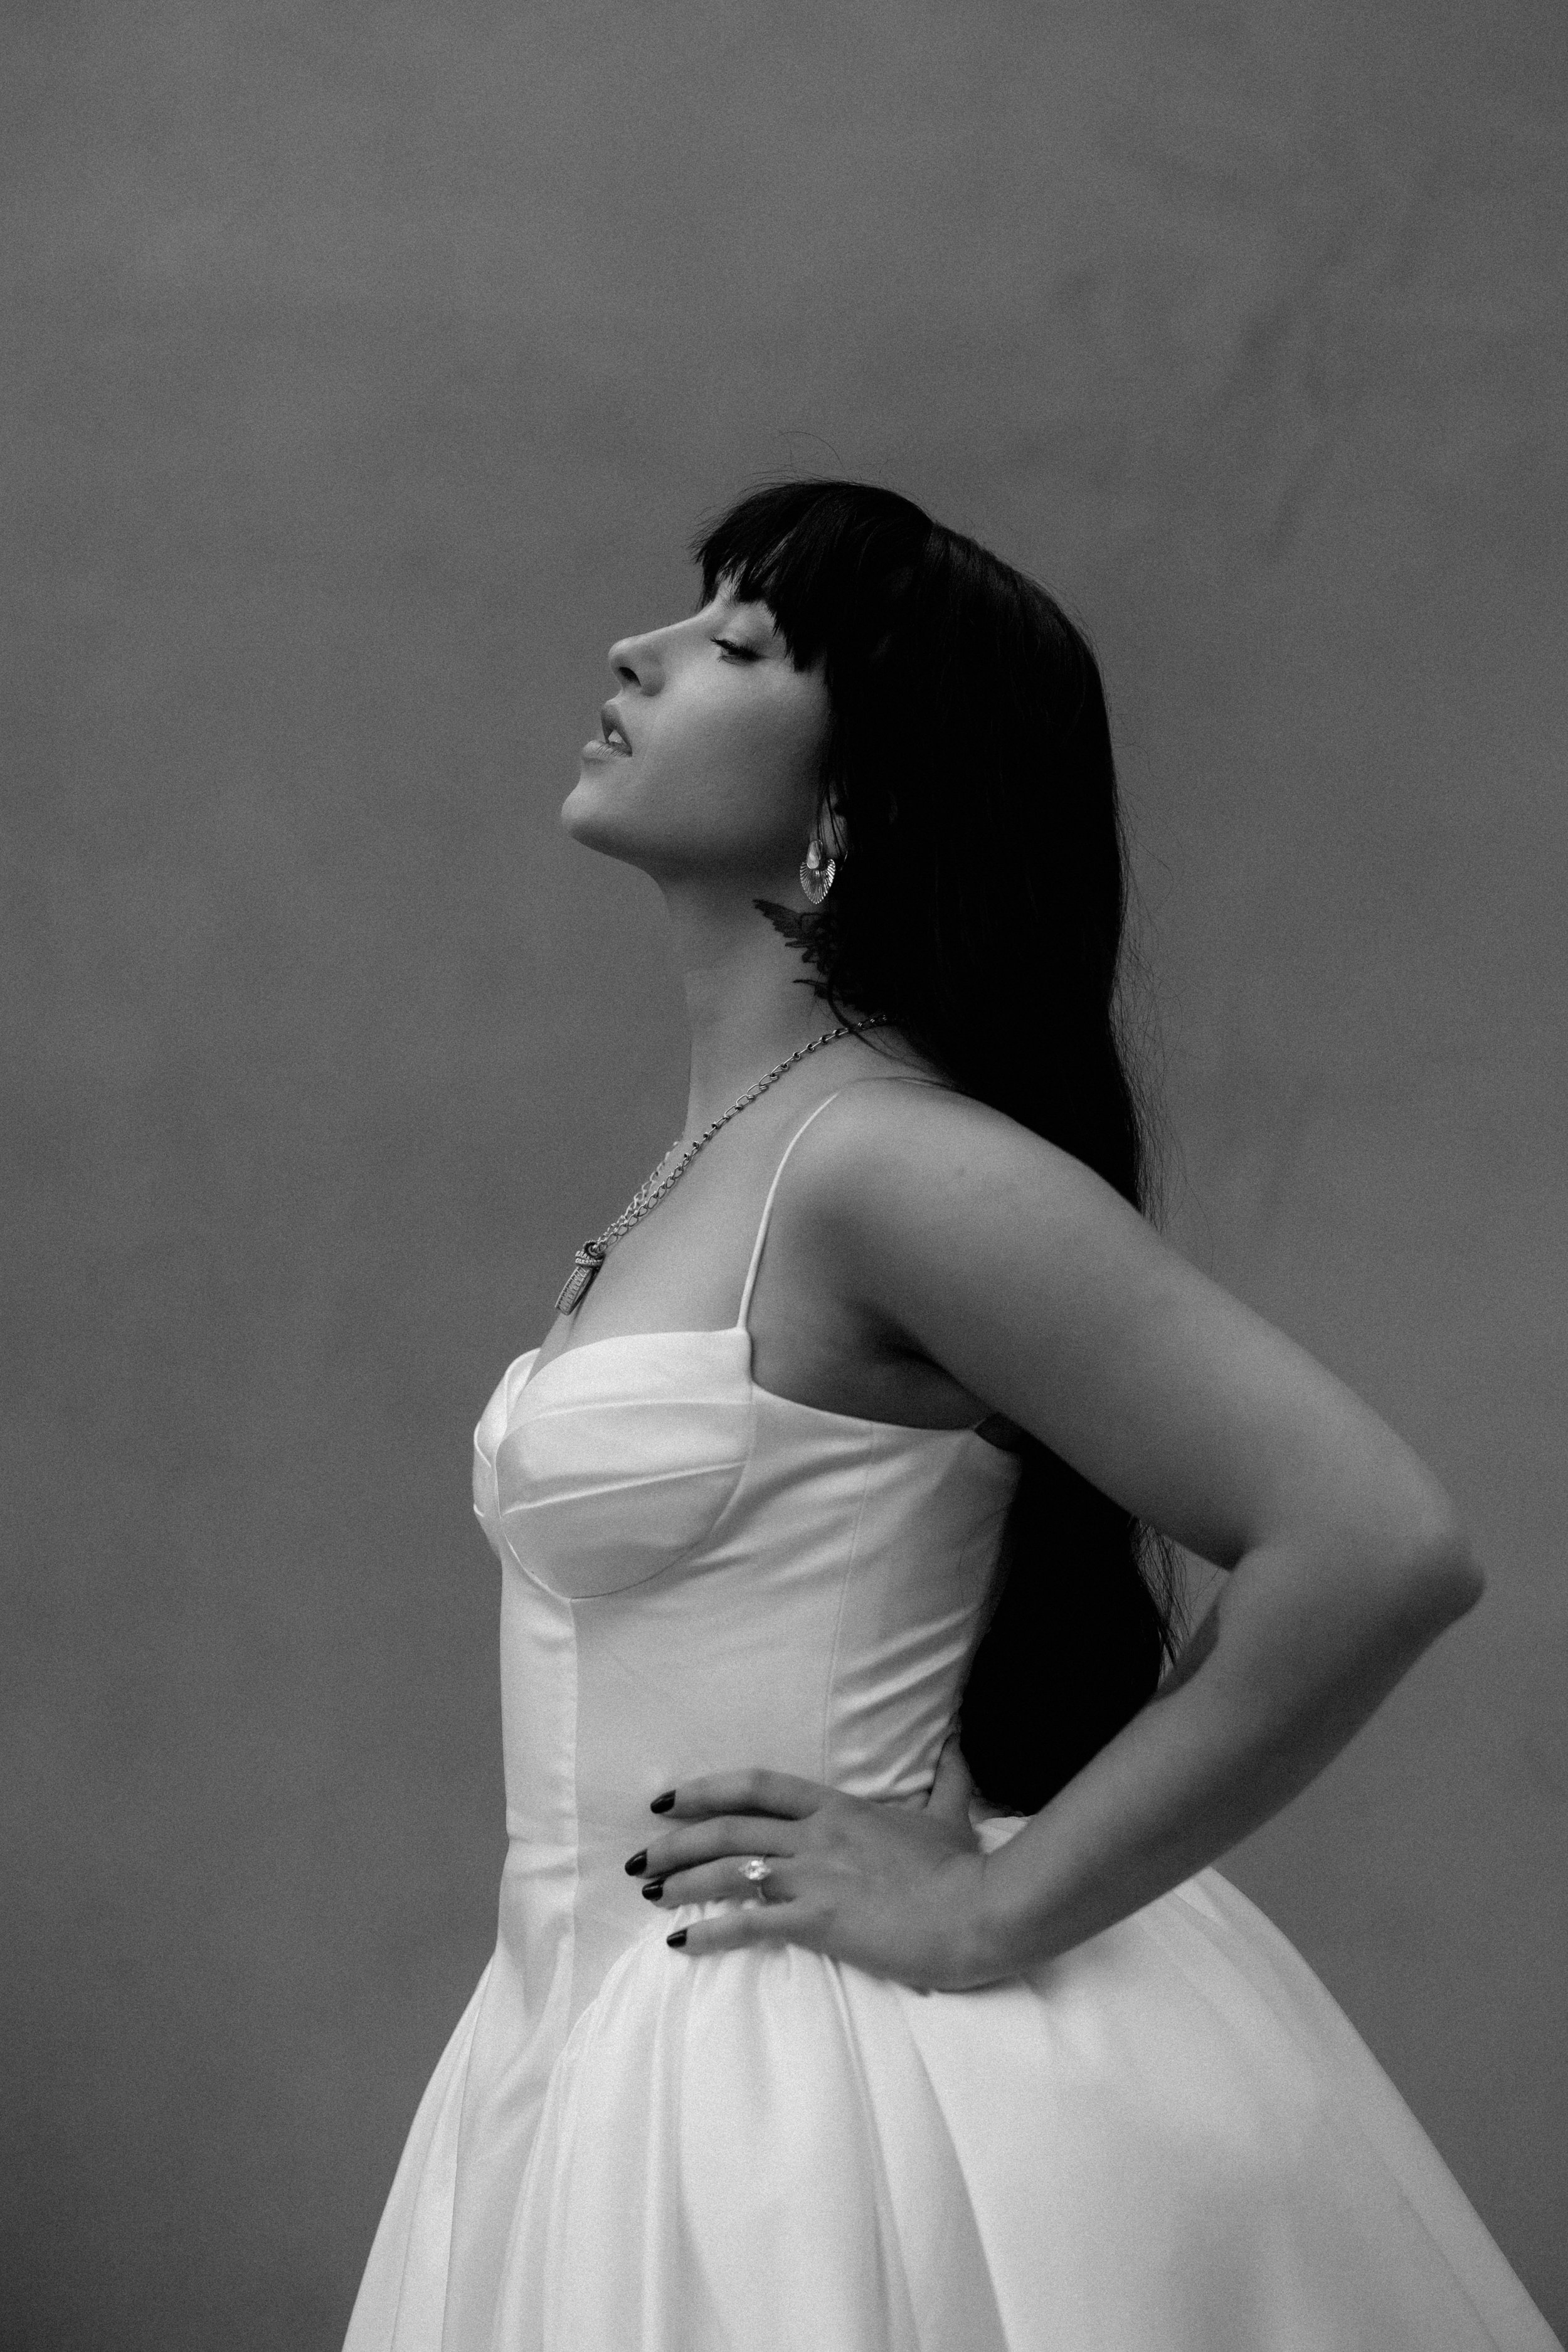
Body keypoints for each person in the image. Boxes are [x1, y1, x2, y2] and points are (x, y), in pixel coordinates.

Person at [343, 479, 1559, 2351]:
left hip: (808, 2087)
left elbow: (1378, 1543)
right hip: (589, 2035)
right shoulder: (734, 1159)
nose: (635, 653)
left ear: (858, 806)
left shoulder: (888, 1166)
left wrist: (996, 1911)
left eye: (737, 644)